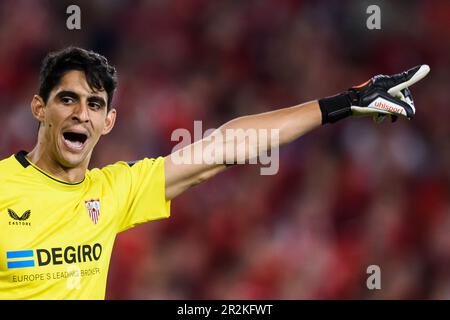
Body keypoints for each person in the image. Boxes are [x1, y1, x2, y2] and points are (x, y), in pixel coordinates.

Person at [0, 47, 429, 299]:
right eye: (67, 99)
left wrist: (342, 103)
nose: (81, 114)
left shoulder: (115, 190)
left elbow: (225, 146)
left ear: (108, 121)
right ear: (40, 108)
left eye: (94, 104)